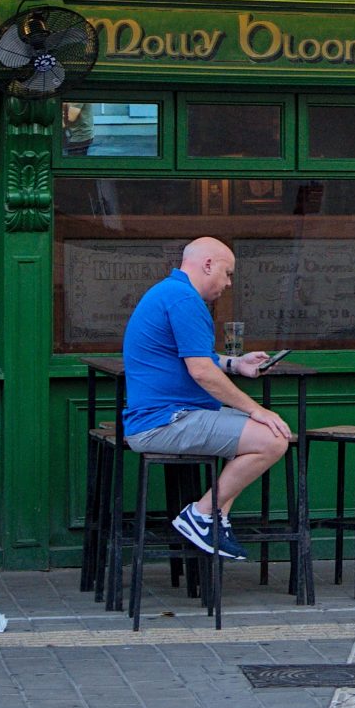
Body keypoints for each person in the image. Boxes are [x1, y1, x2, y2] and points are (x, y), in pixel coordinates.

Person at [119, 236, 291, 561]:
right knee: (272, 438)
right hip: (165, 421)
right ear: (208, 264)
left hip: (167, 416)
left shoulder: (171, 293)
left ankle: (215, 519)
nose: (228, 283)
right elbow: (200, 372)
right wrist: (257, 410)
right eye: (227, 273)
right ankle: (200, 515)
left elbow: (197, 358)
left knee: (250, 436)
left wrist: (236, 363)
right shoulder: (185, 300)